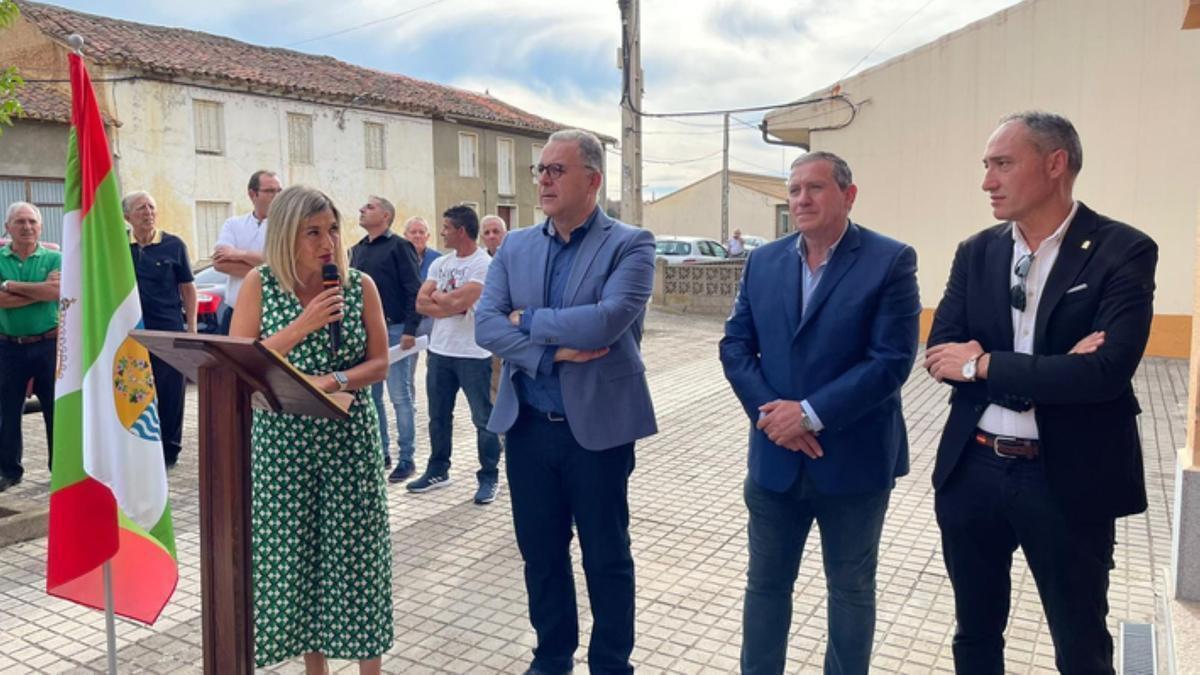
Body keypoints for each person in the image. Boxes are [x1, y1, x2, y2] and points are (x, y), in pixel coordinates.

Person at [923, 111, 1157, 675]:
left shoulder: (1122, 250)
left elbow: (1104, 372)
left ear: (1056, 165)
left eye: (1002, 164)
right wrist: (1052, 369)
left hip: (1066, 478)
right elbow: (938, 354)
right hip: (973, 470)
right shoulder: (976, 250)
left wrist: (982, 366)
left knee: (1079, 644)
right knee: (974, 634)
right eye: (986, 166)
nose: (987, 181)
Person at [720, 151, 920, 675]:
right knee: (764, 587)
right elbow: (735, 346)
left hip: (852, 462)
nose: (802, 199)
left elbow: (891, 361)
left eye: (815, 188)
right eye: (794, 190)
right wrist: (775, 417)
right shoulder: (763, 261)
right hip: (774, 461)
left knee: (851, 591)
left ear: (848, 195)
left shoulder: (890, 260)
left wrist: (808, 414)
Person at [476, 129, 658, 675]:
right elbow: (486, 324)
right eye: (541, 170)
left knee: (606, 557)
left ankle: (610, 663)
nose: (545, 179)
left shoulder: (631, 243)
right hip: (528, 426)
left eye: (557, 170)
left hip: (598, 431)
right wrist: (553, 354)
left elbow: (607, 319)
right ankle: (552, 657)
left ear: (593, 179)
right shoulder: (516, 244)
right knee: (541, 554)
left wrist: (526, 320)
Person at [230, 186, 392, 674]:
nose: (328, 243)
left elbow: (381, 363)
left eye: (333, 229)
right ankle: (313, 670)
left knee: (358, 562)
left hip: (348, 441)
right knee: (295, 563)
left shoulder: (359, 284)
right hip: (282, 449)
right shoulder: (260, 284)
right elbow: (241, 361)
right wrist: (302, 325)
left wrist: (332, 380)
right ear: (285, 235)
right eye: (313, 232)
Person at [408, 205, 502, 505]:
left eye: (446, 227)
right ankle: (438, 470)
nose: (443, 232)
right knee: (438, 417)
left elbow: (459, 299)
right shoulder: (441, 263)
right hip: (439, 352)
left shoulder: (484, 265)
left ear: (461, 230)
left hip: (474, 354)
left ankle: (489, 476)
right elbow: (422, 303)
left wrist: (447, 301)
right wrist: (448, 304)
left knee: (483, 419)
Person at [123, 191, 197, 468]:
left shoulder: (173, 244)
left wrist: (190, 328)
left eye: (152, 207)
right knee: (136, 391)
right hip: (132, 335)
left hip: (168, 332)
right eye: (141, 208)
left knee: (171, 394)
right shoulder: (121, 247)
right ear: (127, 216)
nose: (148, 212)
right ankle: (141, 448)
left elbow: (188, 289)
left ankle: (169, 452)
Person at [350, 196, 422, 481]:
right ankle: (381, 453)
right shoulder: (356, 251)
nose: (362, 209)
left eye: (369, 207)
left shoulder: (399, 246)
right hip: (365, 332)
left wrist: (410, 330)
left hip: (395, 330)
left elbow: (413, 289)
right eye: (363, 206)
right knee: (373, 397)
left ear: (386, 216)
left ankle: (407, 458)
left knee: (400, 396)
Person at [0, 202, 61, 491]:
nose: (27, 227)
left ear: (41, 226)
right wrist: (40, 291)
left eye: (32, 222)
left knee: (55, 409)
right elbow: (0, 301)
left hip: (48, 344)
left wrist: (10, 285)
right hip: (8, 346)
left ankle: (59, 469)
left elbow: (58, 291)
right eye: (20, 222)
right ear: (7, 227)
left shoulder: (55, 258)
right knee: (7, 411)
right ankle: (9, 470)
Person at [213, 170, 282, 333]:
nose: (277, 196)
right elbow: (219, 263)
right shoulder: (233, 224)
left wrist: (239, 254)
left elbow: (281, 263)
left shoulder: (286, 227)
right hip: (234, 313)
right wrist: (268, 269)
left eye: (279, 191)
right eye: (270, 191)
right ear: (253, 194)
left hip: (273, 316)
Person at [480, 214, 509, 401]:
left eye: (496, 231)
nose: (492, 236)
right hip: (486, 334)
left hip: (508, 329)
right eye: (487, 232)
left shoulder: (515, 258)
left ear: (505, 234)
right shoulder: (479, 262)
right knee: (491, 385)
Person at [404, 215, 442, 337]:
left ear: (428, 236)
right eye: (413, 232)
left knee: (435, 353)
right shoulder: (398, 257)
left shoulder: (438, 259)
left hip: (431, 317)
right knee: (409, 355)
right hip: (407, 318)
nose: (417, 235)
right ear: (405, 235)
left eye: (421, 232)